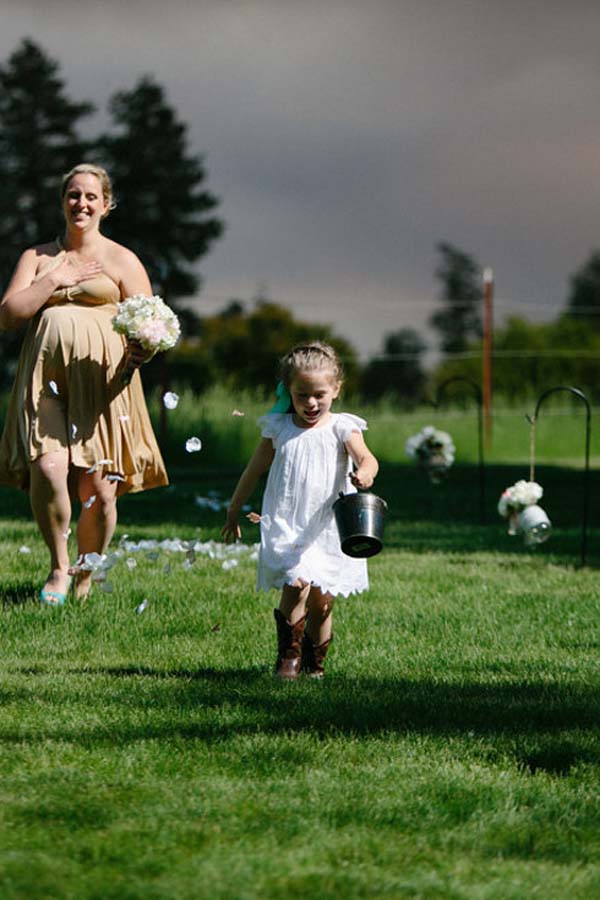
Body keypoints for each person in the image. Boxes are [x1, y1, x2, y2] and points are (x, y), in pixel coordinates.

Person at [0, 163, 168, 605]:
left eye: (92, 196)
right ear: (63, 202)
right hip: (45, 382)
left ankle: (85, 573)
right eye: (74, 195)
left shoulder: (121, 259)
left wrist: (143, 349)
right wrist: (54, 280)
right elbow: (9, 315)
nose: (82, 203)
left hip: (105, 386)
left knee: (98, 489)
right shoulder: (37, 258)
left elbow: (151, 322)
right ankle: (58, 568)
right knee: (48, 468)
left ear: (106, 205)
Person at [222, 341, 379, 679]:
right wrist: (234, 509)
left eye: (319, 394)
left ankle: (315, 665)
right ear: (288, 391)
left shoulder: (342, 427)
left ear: (336, 389)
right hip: (289, 521)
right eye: (301, 395)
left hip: (328, 527)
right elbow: (253, 471)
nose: (311, 403)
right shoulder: (278, 429)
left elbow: (367, 457)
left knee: (322, 602)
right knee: (296, 583)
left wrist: (364, 472)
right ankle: (288, 658)